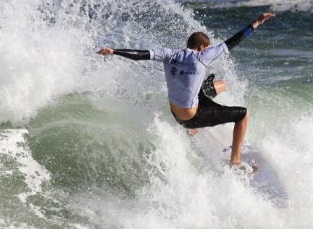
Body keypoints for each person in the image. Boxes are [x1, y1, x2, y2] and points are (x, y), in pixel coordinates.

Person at [98, 12, 276, 170]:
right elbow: (234, 41)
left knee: (211, 86)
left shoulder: (169, 54)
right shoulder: (203, 56)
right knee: (243, 114)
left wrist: (114, 51)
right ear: (201, 47)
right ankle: (235, 162)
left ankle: (194, 128)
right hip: (193, 117)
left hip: (176, 115)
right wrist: (257, 23)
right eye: (206, 48)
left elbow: (140, 54)